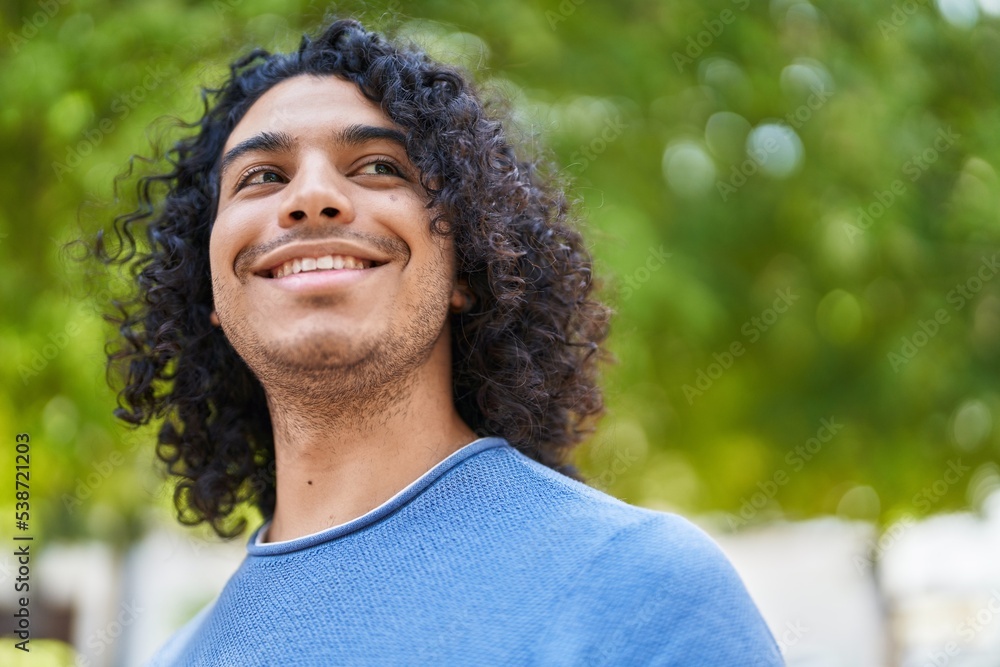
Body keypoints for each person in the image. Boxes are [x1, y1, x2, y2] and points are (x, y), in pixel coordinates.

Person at [90, 16, 783, 666]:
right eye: (262, 177)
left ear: (467, 263)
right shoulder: (177, 655)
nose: (310, 197)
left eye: (379, 167)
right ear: (207, 288)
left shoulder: (640, 590)